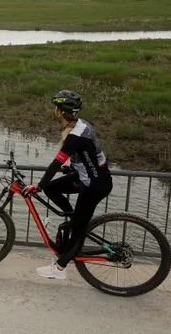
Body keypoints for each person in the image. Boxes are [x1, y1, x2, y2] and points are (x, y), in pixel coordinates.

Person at [24, 90, 113, 280]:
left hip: (95, 184)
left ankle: (59, 269)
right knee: (52, 188)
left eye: (56, 109)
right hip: (86, 177)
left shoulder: (76, 135)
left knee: (77, 232)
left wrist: (38, 186)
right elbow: (86, 155)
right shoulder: (80, 126)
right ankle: (74, 218)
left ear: (60, 112)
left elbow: (56, 162)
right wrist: (70, 168)